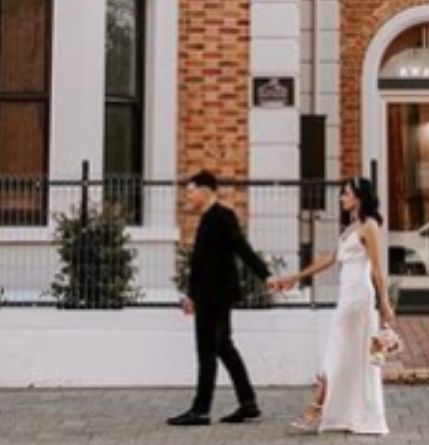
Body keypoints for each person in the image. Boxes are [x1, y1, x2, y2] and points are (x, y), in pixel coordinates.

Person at [274, 177, 394, 435]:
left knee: (338, 352)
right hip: (348, 297)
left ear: (359, 197)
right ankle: (343, 413)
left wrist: (384, 301)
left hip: (359, 298)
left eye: (346, 193)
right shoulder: (352, 227)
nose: (341, 197)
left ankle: (315, 407)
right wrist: (293, 278)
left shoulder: (369, 226)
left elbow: (377, 268)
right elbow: (330, 258)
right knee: (346, 354)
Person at [167, 170, 271, 428]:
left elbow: (242, 248)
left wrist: (265, 276)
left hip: (217, 297)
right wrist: (191, 295)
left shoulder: (223, 217)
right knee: (223, 347)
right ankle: (248, 403)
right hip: (206, 296)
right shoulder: (206, 219)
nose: (188, 196)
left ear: (205, 190)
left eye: (191, 191)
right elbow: (199, 263)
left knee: (207, 352)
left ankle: (201, 410)